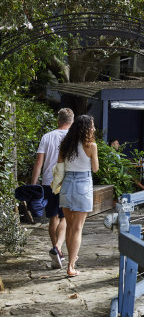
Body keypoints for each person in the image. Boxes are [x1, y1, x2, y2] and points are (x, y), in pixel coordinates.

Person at [30, 108, 74, 269]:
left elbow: (38, 163)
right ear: (72, 122)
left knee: (53, 217)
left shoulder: (47, 137)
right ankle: (58, 249)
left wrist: (33, 185)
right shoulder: (73, 137)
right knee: (64, 217)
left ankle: (57, 251)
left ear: (58, 120)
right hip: (68, 181)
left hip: (48, 182)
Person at [58, 115, 99, 277]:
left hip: (67, 184)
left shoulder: (65, 145)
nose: (94, 129)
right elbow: (95, 169)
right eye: (92, 126)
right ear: (86, 128)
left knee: (69, 226)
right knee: (77, 229)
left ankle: (70, 261)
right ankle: (71, 265)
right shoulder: (91, 146)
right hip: (83, 184)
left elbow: (59, 165)